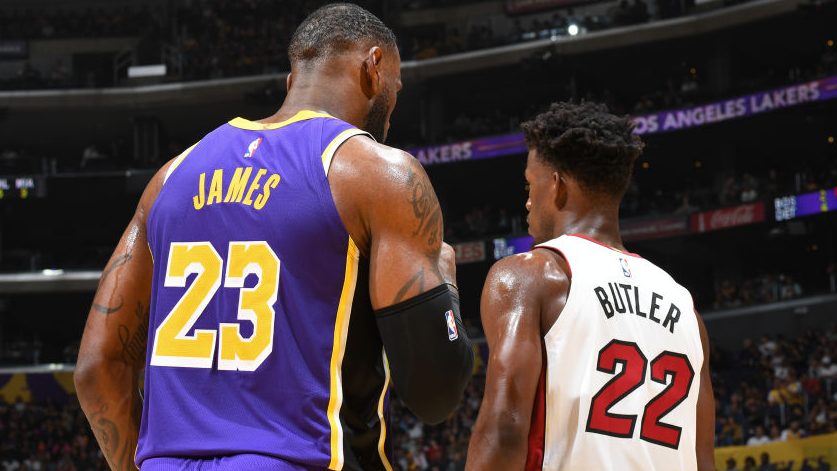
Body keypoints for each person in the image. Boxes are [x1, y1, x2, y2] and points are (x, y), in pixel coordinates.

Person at [74, 4, 474, 470]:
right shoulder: (377, 173)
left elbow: (96, 369)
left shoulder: (170, 176)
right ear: (374, 66)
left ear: (292, 81)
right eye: (397, 87)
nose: (394, 107)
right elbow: (435, 393)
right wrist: (445, 282)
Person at [466, 102, 715, 470]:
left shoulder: (530, 276)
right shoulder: (685, 307)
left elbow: (504, 429)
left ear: (557, 185)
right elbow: (703, 460)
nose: (528, 201)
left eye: (530, 184)